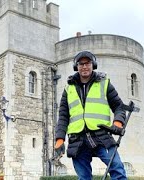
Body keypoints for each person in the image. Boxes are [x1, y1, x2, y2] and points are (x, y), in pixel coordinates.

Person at [54, 50, 127, 180]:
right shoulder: (68, 89)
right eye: (81, 64)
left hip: (101, 135)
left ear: (93, 64)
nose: (84, 66)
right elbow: (63, 116)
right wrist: (60, 138)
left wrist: (118, 123)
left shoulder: (104, 84)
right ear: (76, 67)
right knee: (84, 177)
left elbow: (119, 107)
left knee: (117, 169)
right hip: (77, 140)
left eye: (87, 63)